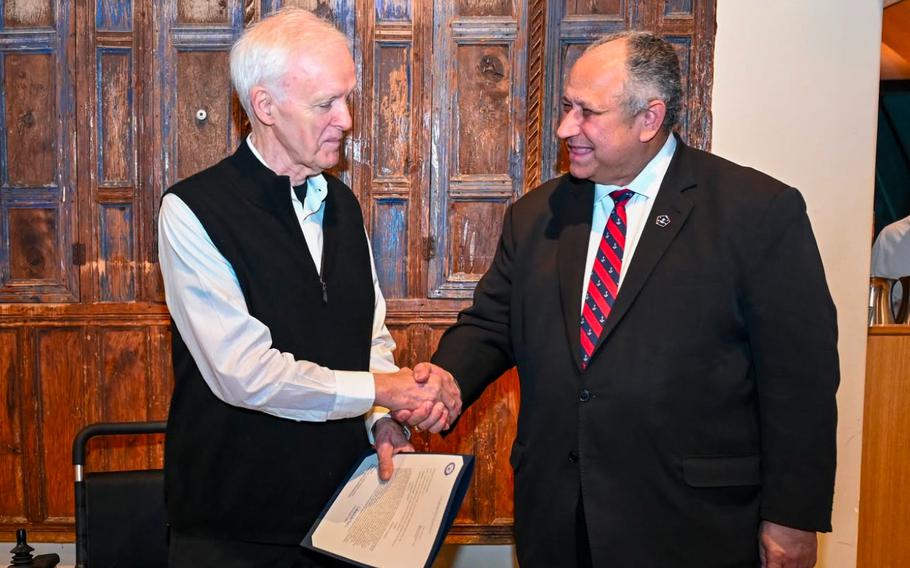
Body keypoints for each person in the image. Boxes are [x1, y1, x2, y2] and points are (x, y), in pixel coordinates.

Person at [400, 31, 839, 567]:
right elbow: (491, 325)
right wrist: (446, 380)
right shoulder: (537, 216)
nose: (566, 128)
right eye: (566, 107)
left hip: (692, 524)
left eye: (587, 113)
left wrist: (792, 517)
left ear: (649, 119)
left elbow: (801, 380)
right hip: (560, 519)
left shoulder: (757, 212)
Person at [157, 8, 460, 567]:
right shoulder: (193, 210)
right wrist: (383, 392)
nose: (345, 119)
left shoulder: (342, 204)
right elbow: (244, 375)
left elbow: (367, 338)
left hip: (343, 517)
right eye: (325, 104)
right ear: (265, 107)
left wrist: (382, 422)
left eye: (347, 98)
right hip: (235, 531)